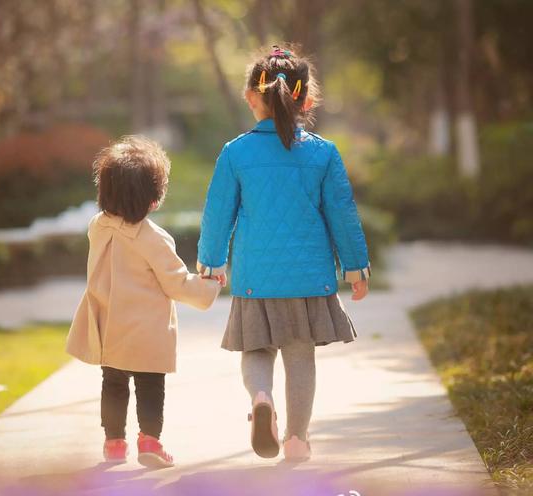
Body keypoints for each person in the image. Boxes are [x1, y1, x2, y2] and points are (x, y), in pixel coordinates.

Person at [197, 45, 370, 462]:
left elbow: (218, 213)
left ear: (250, 97)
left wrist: (211, 263)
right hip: (309, 277)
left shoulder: (235, 152)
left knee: (256, 351)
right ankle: (296, 439)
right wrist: (356, 267)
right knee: (299, 357)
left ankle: (261, 398)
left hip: (256, 275)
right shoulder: (323, 153)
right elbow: (342, 213)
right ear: (305, 100)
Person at [67, 136, 221, 468]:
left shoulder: (98, 227)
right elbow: (177, 284)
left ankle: (114, 443)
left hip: (109, 328)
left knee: (114, 385)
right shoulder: (153, 238)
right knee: (150, 387)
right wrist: (210, 286)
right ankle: (149, 441)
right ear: (153, 200)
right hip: (147, 332)